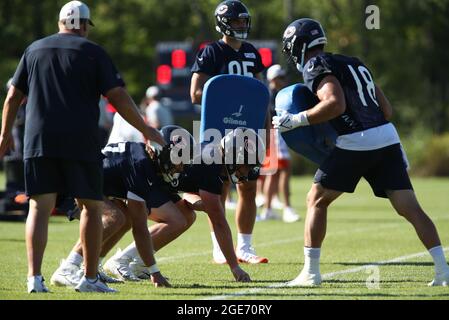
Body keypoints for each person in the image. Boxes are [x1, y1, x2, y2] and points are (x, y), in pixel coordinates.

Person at [0, 1, 164, 293]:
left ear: (60, 23)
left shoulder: (34, 49)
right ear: (85, 26)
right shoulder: (94, 52)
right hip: (81, 141)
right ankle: (89, 279)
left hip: (39, 140)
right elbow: (118, 96)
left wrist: (4, 135)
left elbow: (13, 96)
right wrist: (146, 129)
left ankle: (34, 279)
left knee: (39, 207)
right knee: (91, 206)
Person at [273, 18, 449, 287]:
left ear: (298, 45)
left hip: (357, 140)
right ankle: (442, 271)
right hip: (387, 137)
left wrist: (296, 120)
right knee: (410, 208)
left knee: (316, 200)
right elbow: (387, 111)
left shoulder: (314, 64)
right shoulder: (354, 62)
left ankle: (310, 273)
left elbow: (335, 104)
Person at [104, 127, 262, 282]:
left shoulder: (215, 162)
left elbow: (188, 190)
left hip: (159, 182)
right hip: (148, 178)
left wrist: (198, 203)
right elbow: (219, 222)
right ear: (233, 156)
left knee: (187, 216)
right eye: (246, 165)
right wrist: (235, 267)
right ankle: (121, 260)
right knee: (176, 220)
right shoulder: (211, 166)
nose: (247, 172)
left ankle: (139, 264)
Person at [190, 0, 268, 264]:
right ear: (224, 22)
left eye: (244, 21)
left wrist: (266, 130)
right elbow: (196, 93)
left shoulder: (252, 53)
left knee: (249, 187)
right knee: (219, 186)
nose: (241, 25)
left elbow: (261, 95)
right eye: (236, 21)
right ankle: (219, 248)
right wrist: (229, 99)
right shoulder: (211, 52)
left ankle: (245, 247)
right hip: (219, 128)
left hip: (248, 130)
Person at [259, 65, 300, 223]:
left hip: (273, 133)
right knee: (284, 170)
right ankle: (287, 208)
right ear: (273, 79)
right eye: (281, 77)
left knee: (273, 173)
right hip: (275, 132)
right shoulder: (271, 94)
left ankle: (268, 209)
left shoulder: (269, 93)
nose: (284, 80)